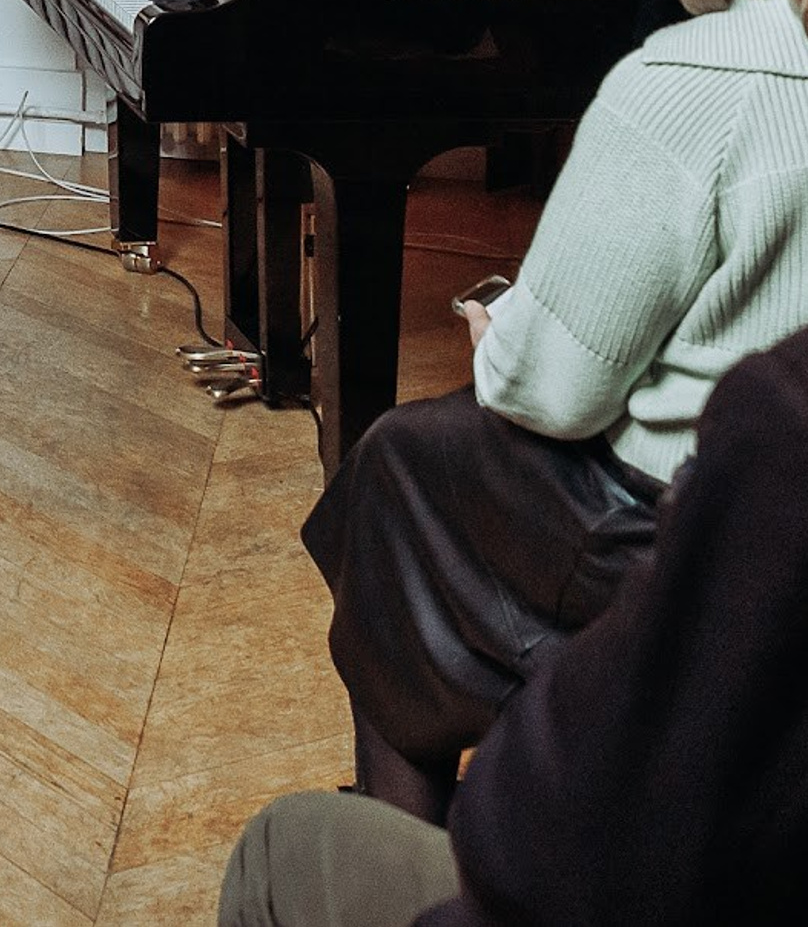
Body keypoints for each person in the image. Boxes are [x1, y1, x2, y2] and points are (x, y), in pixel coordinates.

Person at [304, 0, 808, 821]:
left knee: (395, 473)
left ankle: (416, 855)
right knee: (413, 465)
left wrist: (502, 342)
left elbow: (562, 392)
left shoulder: (686, 83)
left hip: (686, 530)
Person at [221, 322, 808, 927]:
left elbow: (547, 838)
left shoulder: (782, 425)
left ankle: (405, 794)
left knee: (278, 846)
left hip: (620, 505)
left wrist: (503, 337)